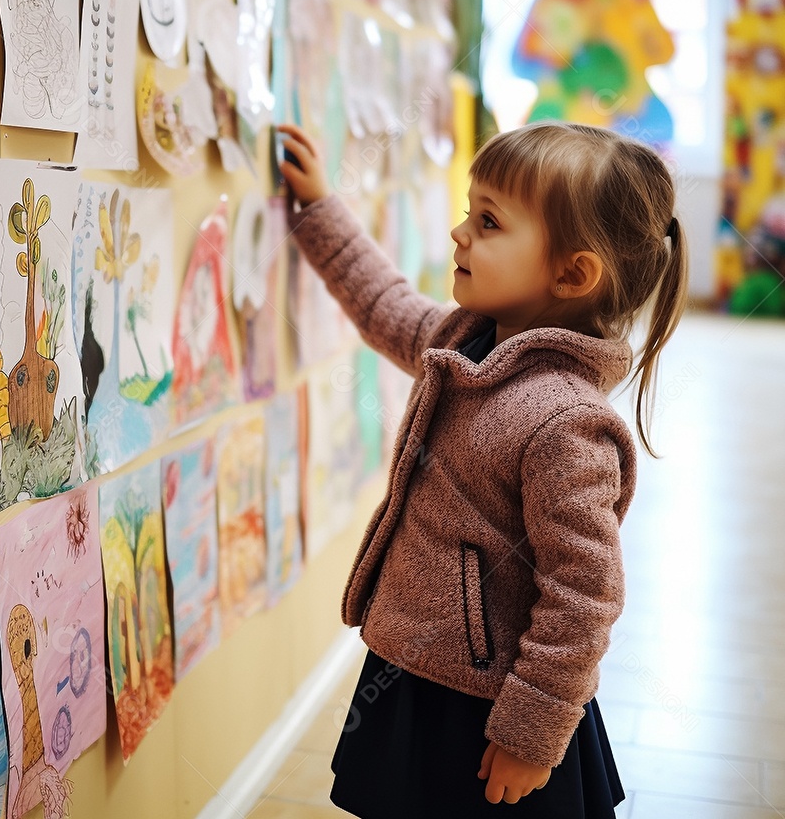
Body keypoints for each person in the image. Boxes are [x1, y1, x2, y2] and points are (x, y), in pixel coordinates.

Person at [277, 120, 687, 817]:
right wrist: (319, 209)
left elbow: (583, 598)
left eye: (489, 221)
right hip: (411, 672)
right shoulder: (463, 342)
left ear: (572, 273)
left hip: (497, 708)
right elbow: (383, 302)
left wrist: (531, 734)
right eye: (471, 211)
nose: (460, 233)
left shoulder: (565, 423)